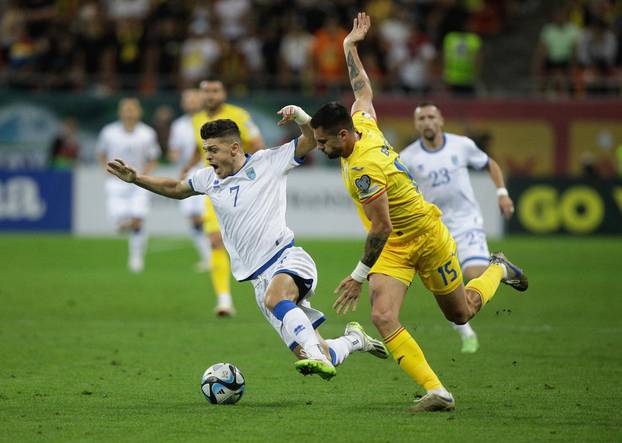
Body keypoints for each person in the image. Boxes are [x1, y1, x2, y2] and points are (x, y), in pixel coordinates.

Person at [308, 12, 528, 412]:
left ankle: (498, 268)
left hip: (425, 236)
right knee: (382, 315)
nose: (318, 148)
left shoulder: (363, 169)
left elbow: (380, 226)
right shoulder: (363, 126)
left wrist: (358, 277)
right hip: (396, 247)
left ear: (343, 136)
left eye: (322, 142)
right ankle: (437, 391)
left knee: (462, 314)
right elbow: (362, 92)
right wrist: (349, 47)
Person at [105, 107, 389, 381]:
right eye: (205, 151)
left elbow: (312, 139)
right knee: (320, 351)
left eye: (213, 150)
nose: (208, 157)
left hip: (286, 259)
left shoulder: (268, 162)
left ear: (234, 149)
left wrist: (302, 117)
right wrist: (136, 179)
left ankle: (315, 354)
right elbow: (177, 188)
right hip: (257, 281)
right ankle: (353, 340)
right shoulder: (208, 179)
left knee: (280, 303)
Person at [399, 102, 516, 354]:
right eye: (422, 119)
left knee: (475, 275)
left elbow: (490, 164)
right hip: (434, 228)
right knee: (445, 287)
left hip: (466, 222)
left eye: (432, 117)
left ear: (440, 120)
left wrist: (502, 193)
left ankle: (499, 270)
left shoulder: (461, 145)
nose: (427, 122)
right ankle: (465, 331)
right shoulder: (407, 158)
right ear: (416, 124)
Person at [184, 78, 264, 317]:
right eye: (206, 91)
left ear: (224, 92)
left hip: (243, 186)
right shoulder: (197, 120)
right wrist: (186, 167)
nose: (210, 95)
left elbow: (259, 146)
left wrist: (255, 176)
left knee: (250, 243)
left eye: (215, 91)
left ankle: (269, 289)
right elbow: (198, 151)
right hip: (216, 186)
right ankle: (224, 300)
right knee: (215, 240)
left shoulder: (240, 116)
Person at [96, 98, 160, 272]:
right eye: (126, 109)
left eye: (133, 109)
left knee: (138, 219)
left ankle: (136, 258)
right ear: (120, 112)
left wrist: (141, 175)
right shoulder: (109, 132)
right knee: (120, 224)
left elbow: (153, 158)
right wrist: (106, 169)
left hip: (138, 182)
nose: (129, 113)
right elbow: (101, 153)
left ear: (139, 112)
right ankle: (124, 225)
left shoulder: (147, 133)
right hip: (115, 183)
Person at [167, 89, 212, 272]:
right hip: (188, 173)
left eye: (194, 99)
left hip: (209, 172)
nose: (191, 103)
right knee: (193, 218)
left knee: (207, 217)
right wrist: (174, 155)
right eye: (187, 100)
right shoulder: (178, 126)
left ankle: (221, 255)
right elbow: (173, 150)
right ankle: (208, 258)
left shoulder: (208, 120)